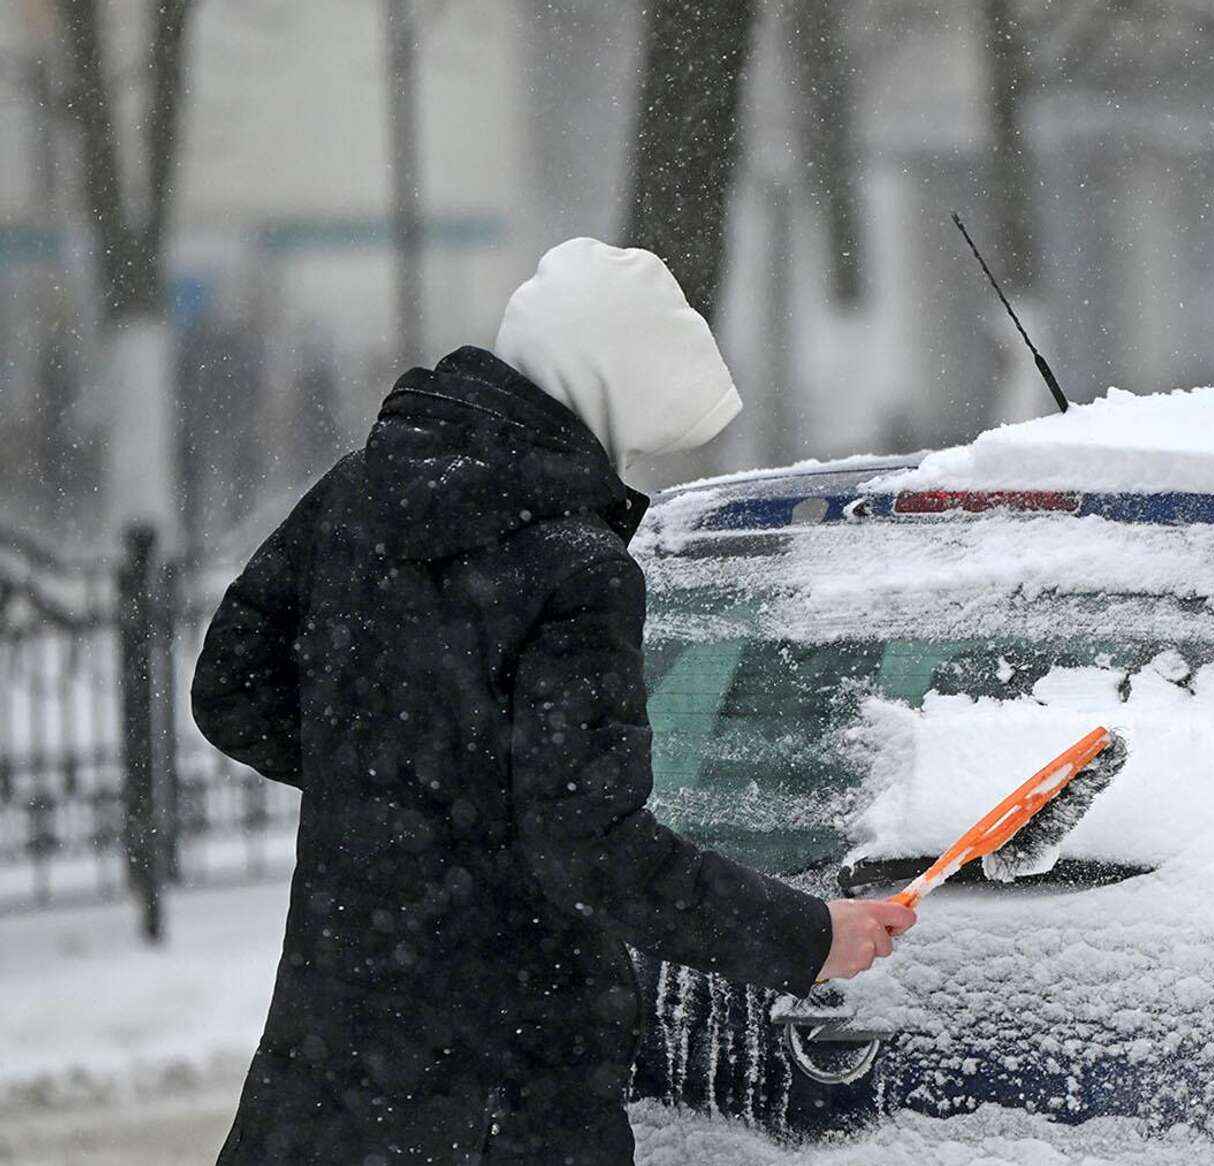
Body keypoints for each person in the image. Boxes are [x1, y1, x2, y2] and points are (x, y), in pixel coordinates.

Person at [194, 238, 916, 1164]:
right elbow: (591, 845)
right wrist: (809, 934)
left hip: (330, 1064)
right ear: (610, 388)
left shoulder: (359, 494)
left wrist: (398, 787)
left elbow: (232, 689)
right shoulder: (576, 569)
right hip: (509, 1086)